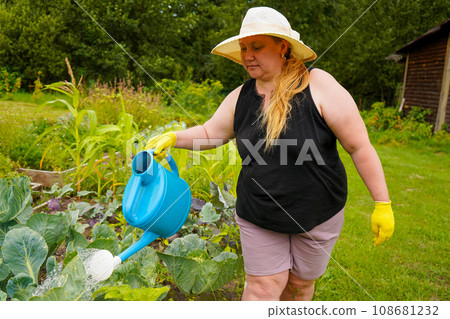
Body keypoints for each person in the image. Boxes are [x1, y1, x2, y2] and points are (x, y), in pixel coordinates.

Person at [146, 6, 395, 301]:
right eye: (243, 48)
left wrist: (382, 202)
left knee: (299, 288)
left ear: (282, 47)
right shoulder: (241, 96)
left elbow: (359, 147)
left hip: (318, 213)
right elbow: (209, 133)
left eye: (257, 46)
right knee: (262, 289)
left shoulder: (319, 86)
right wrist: (174, 137)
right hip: (259, 212)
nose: (247, 55)